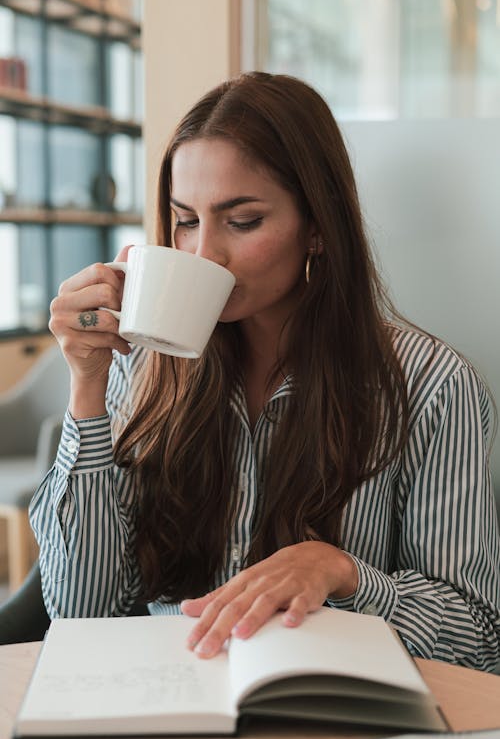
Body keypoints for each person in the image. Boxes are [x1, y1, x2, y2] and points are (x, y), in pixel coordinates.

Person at [30, 71, 500, 671]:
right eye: (186, 219)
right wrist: (87, 384)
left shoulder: (431, 385)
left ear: (318, 229)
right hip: (166, 697)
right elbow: (81, 612)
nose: (204, 254)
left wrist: (344, 573)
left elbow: (480, 643)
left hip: (329, 713)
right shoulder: (143, 368)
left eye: (243, 220)